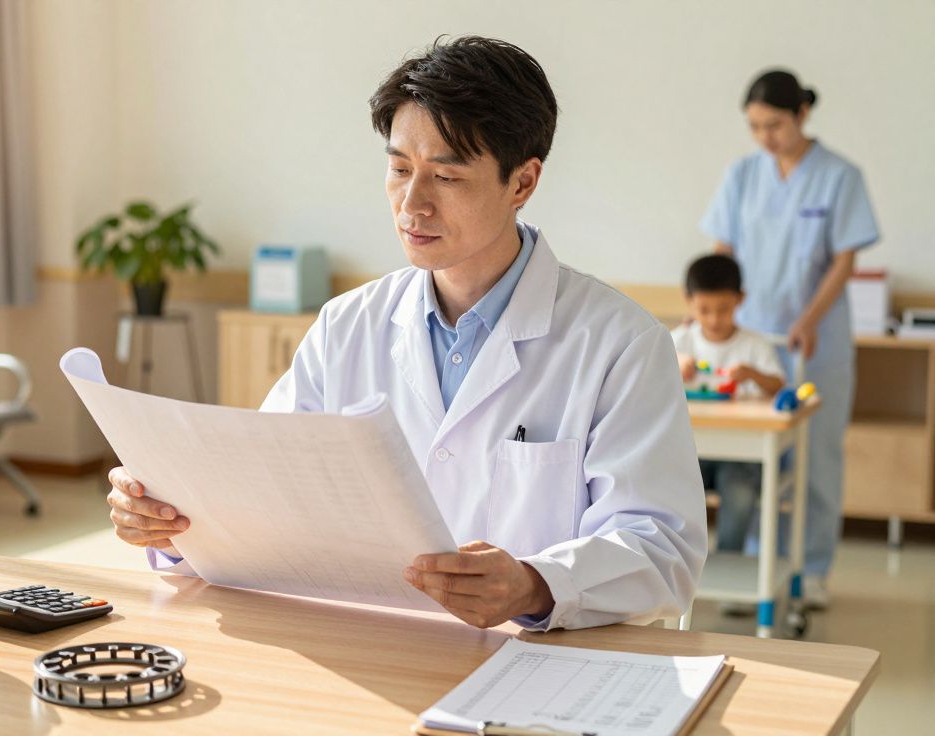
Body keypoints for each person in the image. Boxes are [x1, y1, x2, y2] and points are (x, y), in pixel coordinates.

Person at [106, 36, 706, 631]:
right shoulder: (346, 327)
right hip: (370, 651)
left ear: (522, 182)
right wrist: (175, 526)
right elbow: (264, 505)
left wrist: (537, 584)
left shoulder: (621, 344)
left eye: (445, 178)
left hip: (539, 668)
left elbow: (662, 548)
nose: (411, 205)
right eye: (399, 169)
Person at [700, 69, 879, 610]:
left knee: (815, 458)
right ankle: (751, 573)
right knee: (752, 463)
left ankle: (812, 570)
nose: (765, 137)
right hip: (750, 342)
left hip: (812, 343)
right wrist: (718, 317)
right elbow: (721, 252)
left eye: (774, 124)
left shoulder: (839, 177)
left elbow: (844, 260)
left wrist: (808, 319)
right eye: (755, 127)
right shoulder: (742, 175)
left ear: (801, 113)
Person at [672, 254, 784, 569]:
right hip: (691, 451)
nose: (714, 319)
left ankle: (729, 564)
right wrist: (674, 367)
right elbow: (648, 383)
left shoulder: (754, 345)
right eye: (704, 310)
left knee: (740, 493)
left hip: (741, 456)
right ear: (689, 301)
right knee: (673, 489)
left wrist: (752, 375)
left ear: (740, 300)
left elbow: (777, 385)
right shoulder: (679, 341)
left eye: (723, 309)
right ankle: (682, 567)